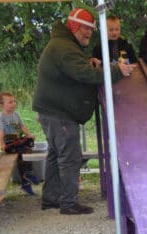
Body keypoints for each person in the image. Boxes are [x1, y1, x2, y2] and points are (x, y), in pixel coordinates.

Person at [33, 8, 134, 214]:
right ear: (73, 27)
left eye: (90, 30)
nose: (88, 33)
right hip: (59, 112)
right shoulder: (65, 47)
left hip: (51, 109)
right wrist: (116, 70)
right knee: (70, 155)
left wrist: (90, 62)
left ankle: (51, 198)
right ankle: (69, 204)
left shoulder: (64, 44)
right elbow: (83, 74)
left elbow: (76, 67)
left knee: (55, 154)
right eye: (84, 29)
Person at [0, 92, 38, 196]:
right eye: (10, 102)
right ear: (2, 105)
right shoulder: (0, 117)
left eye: (14, 101)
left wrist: (29, 135)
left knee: (29, 145)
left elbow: (22, 127)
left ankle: (28, 176)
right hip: (9, 143)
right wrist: (2, 144)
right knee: (21, 153)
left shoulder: (16, 114)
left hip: (18, 140)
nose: (13, 103)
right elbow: (0, 132)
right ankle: (27, 179)